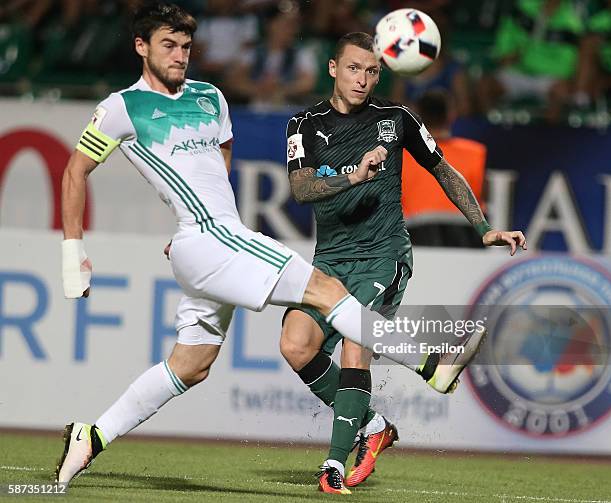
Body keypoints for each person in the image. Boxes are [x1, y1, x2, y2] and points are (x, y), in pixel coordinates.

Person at [55, 2, 525, 489]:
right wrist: (75, 255)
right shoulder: (120, 107)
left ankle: (91, 435)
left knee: (191, 366)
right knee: (324, 291)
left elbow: (215, 166)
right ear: (141, 47)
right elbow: (75, 171)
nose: (179, 55)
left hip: (214, 240)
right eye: (168, 46)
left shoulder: (211, 97)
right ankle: (431, 364)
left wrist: (195, 229)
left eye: (186, 46)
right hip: (213, 241)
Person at [279, 33, 525, 494]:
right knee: (295, 345)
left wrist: (483, 228)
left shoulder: (396, 119)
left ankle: (333, 464)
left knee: (356, 340)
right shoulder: (303, 124)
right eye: (354, 69)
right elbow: (301, 188)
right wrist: (354, 174)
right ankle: (373, 426)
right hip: (330, 260)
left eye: (372, 71)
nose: (363, 79)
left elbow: (443, 169)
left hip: (383, 254)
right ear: (333, 68)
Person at [403, 90, 486, 247]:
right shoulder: (476, 152)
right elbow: (484, 196)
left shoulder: (399, 154)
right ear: (451, 115)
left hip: (416, 234)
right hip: (467, 235)